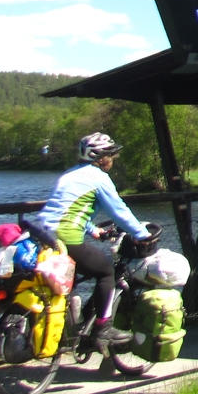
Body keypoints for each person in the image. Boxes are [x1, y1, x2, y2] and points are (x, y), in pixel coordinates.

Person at [37, 133, 153, 348]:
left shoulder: (70, 174)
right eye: (111, 155)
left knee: (69, 280)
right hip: (65, 236)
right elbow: (119, 211)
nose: (113, 159)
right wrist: (142, 235)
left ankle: (69, 332)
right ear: (101, 158)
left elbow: (64, 208)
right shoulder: (99, 178)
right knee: (106, 271)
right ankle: (103, 329)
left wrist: (92, 230)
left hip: (43, 232)